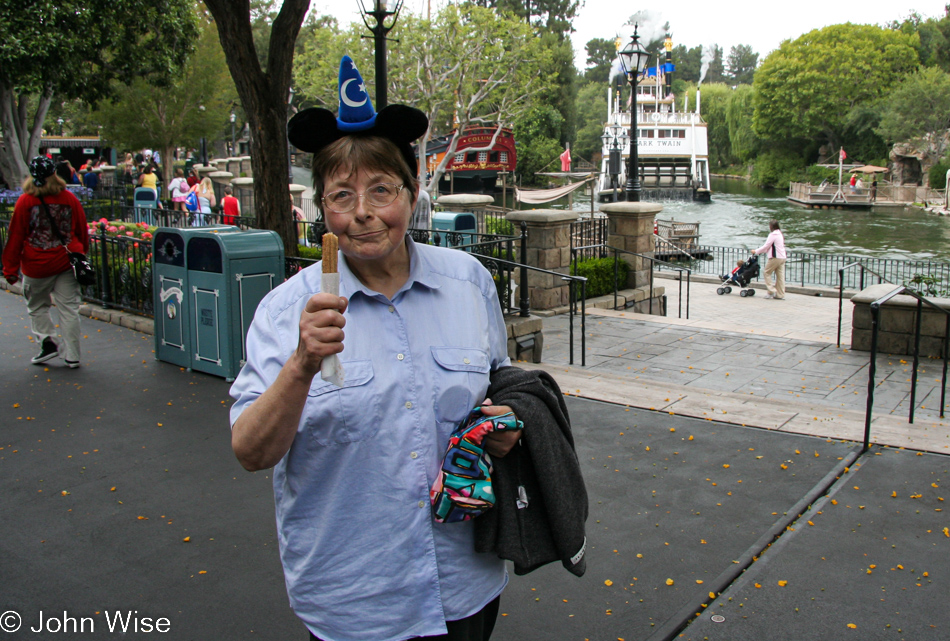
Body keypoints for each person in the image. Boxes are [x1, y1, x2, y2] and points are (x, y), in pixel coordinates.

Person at [229, 55, 519, 641]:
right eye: (342, 196)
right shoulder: (286, 312)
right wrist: (302, 365)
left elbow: (501, 386)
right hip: (354, 601)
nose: (363, 212)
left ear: (412, 195)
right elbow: (250, 451)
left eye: (381, 190)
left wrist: (505, 428)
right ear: (323, 212)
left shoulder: (468, 282)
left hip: (465, 588)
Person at [2, 156, 89, 368]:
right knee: (69, 309)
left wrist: (10, 268)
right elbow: (81, 229)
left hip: (37, 264)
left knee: (37, 306)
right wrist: (81, 254)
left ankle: (47, 341)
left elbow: (15, 236)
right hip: (67, 261)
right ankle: (73, 355)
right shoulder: (69, 198)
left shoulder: (25, 201)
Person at [753, 219, 786, 300]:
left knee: (766, 272)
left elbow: (766, 246)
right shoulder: (780, 234)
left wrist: (756, 251)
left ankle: (771, 291)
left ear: (771, 227)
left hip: (775, 257)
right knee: (780, 276)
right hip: (782, 257)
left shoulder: (773, 235)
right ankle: (780, 294)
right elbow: (772, 246)